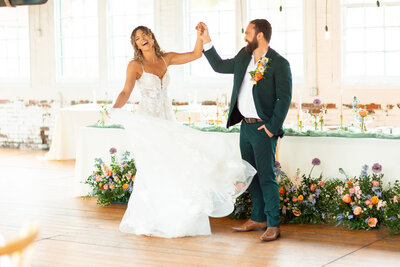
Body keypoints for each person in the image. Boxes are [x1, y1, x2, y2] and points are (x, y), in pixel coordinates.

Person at [109, 25, 255, 238]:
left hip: (168, 121)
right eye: (138, 38)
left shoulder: (166, 59)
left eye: (145, 35)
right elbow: (125, 91)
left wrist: (200, 36)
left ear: (152, 36)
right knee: (153, 168)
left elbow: (196, 54)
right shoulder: (135, 65)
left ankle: (175, 217)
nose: (143, 39)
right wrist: (115, 109)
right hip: (149, 123)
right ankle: (149, 219)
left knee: (173, 165)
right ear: (136, 45)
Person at [198, 19, 292, 242]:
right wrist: (206, 40)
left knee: (267, 177)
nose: (245, 36)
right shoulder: (244, 56)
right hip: (245, 127)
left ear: (260, 35)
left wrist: (271, 128)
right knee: (252, 177)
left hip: (263, 128)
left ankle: (272, 224)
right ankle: (258, 218)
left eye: (248, 32)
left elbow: (284, 99)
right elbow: (220, 66)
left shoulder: (279, 63)